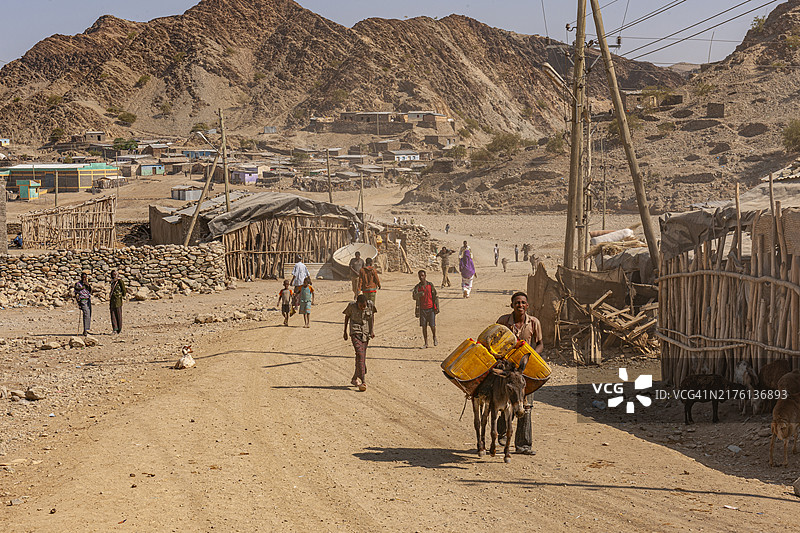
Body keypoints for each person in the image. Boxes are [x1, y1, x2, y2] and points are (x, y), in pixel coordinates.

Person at [496, 292, 544, 456]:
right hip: (507, 370)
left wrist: (533, 357)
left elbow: (540, 344)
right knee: (505, 404)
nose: (520, 305)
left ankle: (523, 445)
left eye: (523, 302)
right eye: (517, 303)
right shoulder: (503, 321)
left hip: (525, 370)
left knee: (526, 406)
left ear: (527, 305)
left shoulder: (534, 322)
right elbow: (494, 342)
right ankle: (501, 432)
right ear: (512, 305)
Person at [343, 294, 376, 392]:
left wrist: (372, 330)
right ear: (357, 303)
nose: (363, 308)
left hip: (365, 333)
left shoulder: (370, 305)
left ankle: (354, 379)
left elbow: (371, 318)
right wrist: (344, 331)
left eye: (364, 306)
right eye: (361, 306)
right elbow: (346, 318)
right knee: (360, 354)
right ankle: (363, 380)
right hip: (355, 332)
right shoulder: (351, 306)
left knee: (361, 356)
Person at [412, 270, 439, 348]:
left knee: (432, 326)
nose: (421, 277)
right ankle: (426, 343)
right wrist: (420, 294)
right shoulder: (417, 287)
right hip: (422, 309)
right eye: (420, 276)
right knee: (424, 327)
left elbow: (435, 296)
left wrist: (436, 307)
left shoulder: (430, 285)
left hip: (431, 309)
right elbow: (414, 297)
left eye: (423, 275)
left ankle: (434, 337)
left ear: (425, 276)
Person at [74, 272, 93, 336]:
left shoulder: (87, 284)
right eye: (83, 278)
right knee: (86, 314)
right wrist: (78, 303)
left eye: (85, 277)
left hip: (88, 300)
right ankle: (85, 330)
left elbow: (90, 291)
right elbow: (76, 293)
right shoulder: (78, 284)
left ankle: (87, 329)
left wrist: (88, 285)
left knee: (89, 314)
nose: (84, 279)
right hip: (83, 300)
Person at [108, 270, 126, 334]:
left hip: (118, 299)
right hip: (113, 299)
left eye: (115, 274)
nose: (114, 275)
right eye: (113, 274)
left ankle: (119, 328)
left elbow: (123, 289)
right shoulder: (112, 282)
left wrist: (122, 295)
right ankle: (115, 328)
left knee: (118, 313)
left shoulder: (119, 281)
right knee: (113, 313)